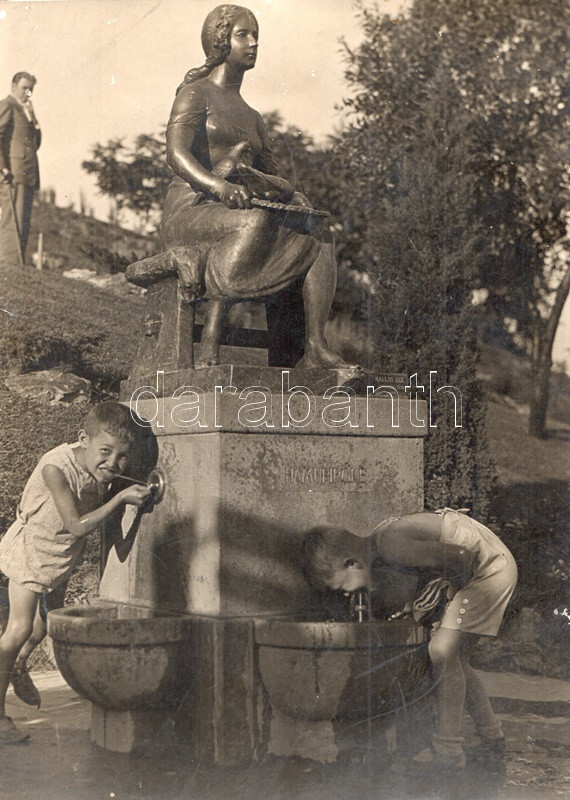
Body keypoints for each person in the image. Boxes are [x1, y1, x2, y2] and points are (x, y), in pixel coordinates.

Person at [162, 4, 353, 369]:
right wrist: (220, 187)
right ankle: (213, 333)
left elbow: (279, 181)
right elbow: (176, 154)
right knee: (254, 220)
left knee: (319, 232)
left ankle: (315, 345)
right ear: (220, 42)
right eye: (243, 35)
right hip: (190, 210)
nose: (253, 43)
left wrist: (256, 179)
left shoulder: (253, 118)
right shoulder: (195, 94)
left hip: (239, 209)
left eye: (256, 36)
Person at [303, 508, 518, 773]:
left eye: (340, 588)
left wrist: (448, 601)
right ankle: (492, 738)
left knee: (441, 651)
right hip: (491, 564)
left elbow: (462, 557)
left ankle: (448, 751)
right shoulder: (381, 544)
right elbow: (436, 563)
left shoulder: (390, 545)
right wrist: (425, 603)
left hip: (487, 569)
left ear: (352, 564)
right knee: (456, 660)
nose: (346, 595)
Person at [0, 402, 151, 745]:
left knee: (43, 626)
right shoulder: (55, 468)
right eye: (105, 451)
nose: (112, 464)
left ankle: (19, 664)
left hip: (59, 556)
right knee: (18, 629)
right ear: (83, 439)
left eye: (122, 457)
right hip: (30, 551)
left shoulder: (101, 467)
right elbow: (76, 525)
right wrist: (120, 499)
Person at [0, 72, 41, 263]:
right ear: (13, 86)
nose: (27, 93)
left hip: (27, 174)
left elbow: (35, 143)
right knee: (12, 221)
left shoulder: (25, 111)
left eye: (30, 89)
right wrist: (2, 167)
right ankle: (9, 265)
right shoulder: (8, 105)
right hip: (13, 173)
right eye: (24, 88)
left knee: (22, 222)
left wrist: (33, 119)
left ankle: (18, 265)